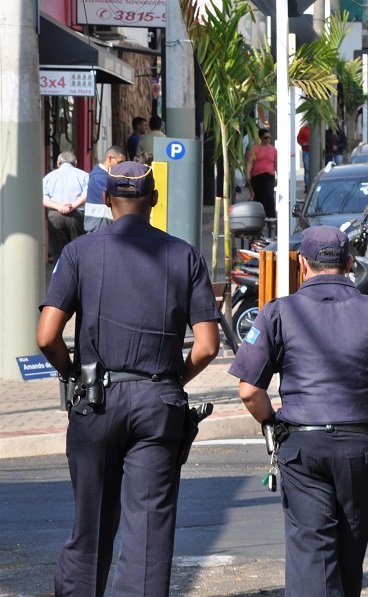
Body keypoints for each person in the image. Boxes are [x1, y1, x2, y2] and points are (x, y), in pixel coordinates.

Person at [37, 161, 220, 596]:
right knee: (149, 532)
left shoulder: (79, 252)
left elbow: (47, 336)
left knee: (91, 526)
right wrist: (172, 379)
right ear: (154, 200)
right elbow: (209, 345)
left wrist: (73, 375)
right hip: (159, 400)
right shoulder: (184, 255)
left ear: (105, 199)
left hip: (96, 399)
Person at [228, 225, 368, 597]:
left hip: (302, 447)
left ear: (302, 264)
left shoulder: (278, 313)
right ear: (350, 264)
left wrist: (272, 423)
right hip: (362, 447)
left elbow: (249, 390)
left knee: (313, 560)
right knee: (349, 561)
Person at [43, 150, 89, 262]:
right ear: (76, 163)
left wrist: (59, 207)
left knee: (58, 253)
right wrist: (72, 206)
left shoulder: (49, 177)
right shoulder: (84, 175)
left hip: (55, 216)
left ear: (58, 163)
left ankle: (59, 276)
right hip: (77, 216)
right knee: (78, 251)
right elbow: (87, 194)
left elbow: (43, 198)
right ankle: (78, 277)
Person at [84, 145, 125, 232]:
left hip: (99, 226)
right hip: (99, 227)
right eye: (120, 162)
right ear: (110, 158)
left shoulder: (97, 174)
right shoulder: (100, 177)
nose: (121, 166)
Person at [246, 128, 277, 218]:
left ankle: (271, 217)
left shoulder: (273, 150)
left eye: (269, 138)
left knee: (269, 195)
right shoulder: (255, 149)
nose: (267, 140)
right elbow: (250, 162)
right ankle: (259, 217)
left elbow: (276, 163)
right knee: (259, 197)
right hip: (257, 176)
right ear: (261, 138)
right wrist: (247, 173)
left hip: (269, 176)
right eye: (265, 138)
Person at [296, 124, 311, 192]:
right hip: (306, 151)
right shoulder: (303, 129)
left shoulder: (317, 127)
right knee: (307, 169)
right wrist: (304, 143)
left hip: (315, 151)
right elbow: (299, 139)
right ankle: (307, 186)